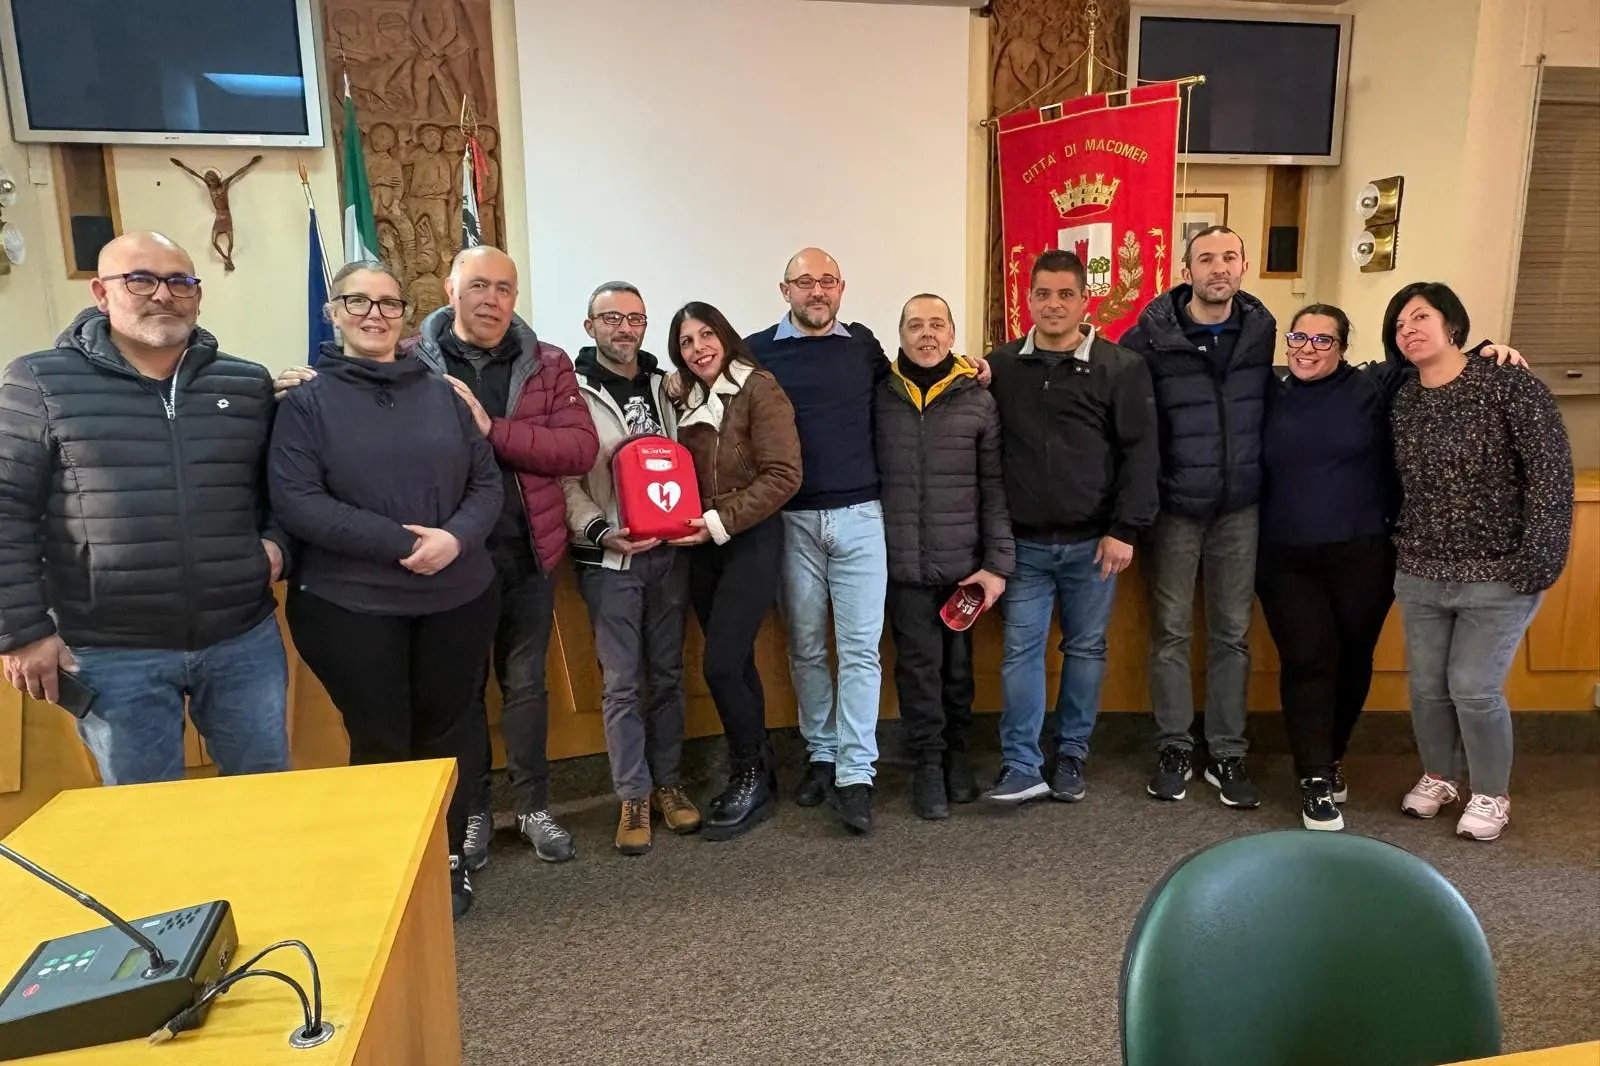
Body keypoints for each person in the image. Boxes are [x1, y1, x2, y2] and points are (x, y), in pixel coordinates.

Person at [273, 246, 598, 872]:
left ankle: (492, 830)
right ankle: (431, 840)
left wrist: (457, 527)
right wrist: (406, 543)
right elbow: (299, 498)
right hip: (366, 596)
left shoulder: (509, 373)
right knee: (407, 727)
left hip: (493, 565)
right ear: (448, 292)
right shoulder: (345, 386)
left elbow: (533, 463)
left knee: (489, 705)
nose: (492, 298)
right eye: (478, 285)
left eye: (505, 287)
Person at [0, 231, 291, 787]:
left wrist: (277, 548)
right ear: (102, 293)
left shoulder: (245, 382)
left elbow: (280, 487)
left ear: (198, 295)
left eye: (180, 281)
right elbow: (7, 507)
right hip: (112, 649)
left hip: (241, 638)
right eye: (141, 279)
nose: (163, 294)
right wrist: (20, 631)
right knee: (144, 816)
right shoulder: (40, 380)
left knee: (266, 796)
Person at [269, 260, 502, 919]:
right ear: (333, 312)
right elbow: (297, 501)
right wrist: (403, 545)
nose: (375, 314)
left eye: (389, 304)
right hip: (352, 605)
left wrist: (454, 540)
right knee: (381, 738)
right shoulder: (305, 400)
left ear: (407, 314)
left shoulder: (443, 392)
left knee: (449, 733)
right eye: (358, 302)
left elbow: (486, 483)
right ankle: (389, 867)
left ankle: (447, 859)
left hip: (457, 596)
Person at [1385, 282, 1573, 843]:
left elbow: (1550, 476)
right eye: (1398, 325)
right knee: (1426, 687)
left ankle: (1491, 793)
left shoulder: (1508, 385)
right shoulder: (1404, 397)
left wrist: (1537, 560)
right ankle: (1441, 776)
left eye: (1420, 318)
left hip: (1497, 572)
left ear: (1454, 327)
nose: (1408, 330)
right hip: (1421, 569)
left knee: (1473, 686)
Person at [982, 250, 1159, 806]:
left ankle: (1073, 755)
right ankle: (1020, 764)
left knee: (1085, 650)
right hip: (1024, 546)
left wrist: (1125, 529)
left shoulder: (1120, 367)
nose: (1053, 304)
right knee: (1020, 654)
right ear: (1026, 299)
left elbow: (1141, 454)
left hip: (1094, 545)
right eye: (1042, 294)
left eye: (1065, 294)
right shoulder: (1002, 367)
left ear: (1086, 301)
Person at [1120, 226, 1275, 809]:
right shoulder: (1149, 338)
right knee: (1171, 634)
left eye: (1229, 257)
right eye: (1206, 258)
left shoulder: (1262, 332)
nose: (1219, 268)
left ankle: (1228, 753)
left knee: (1233, 635)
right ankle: (1174, 747)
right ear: (1186, 270)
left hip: (1240, 508)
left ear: (1243, 266)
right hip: (1175, 510)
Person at [743, 247, 891, 834]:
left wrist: (976, 368)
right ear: (785, 291)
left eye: (826, 281)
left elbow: (918, 379)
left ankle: (857, 773)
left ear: (842, 287)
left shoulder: (864, 347)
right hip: (792, 521)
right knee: (805, 647)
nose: (816, 291)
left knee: (860, 651)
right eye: (804, 282)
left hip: (861, 516)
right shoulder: (756, 350)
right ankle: (822, 756)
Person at [561, 281, 700, 856]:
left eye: (635, 318)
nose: (625, 328)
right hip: (611, 557)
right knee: (622, 683)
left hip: (670, 554)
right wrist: (598, 530)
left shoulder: (669, 386)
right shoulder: (569, 392)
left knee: (667, 675)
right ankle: (633, 795)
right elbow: (563, 477)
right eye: (611, 318)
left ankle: (668, 783)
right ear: (590, 327)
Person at [665, 301, 802, 840]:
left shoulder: (759, 389)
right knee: (736, 662)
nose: (698, 349)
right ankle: (760, 771)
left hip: (748, 538)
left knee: (719, 665)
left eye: (705, 336)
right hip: (701, 545)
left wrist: (721, 521)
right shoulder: (684, 397)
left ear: (725, 336)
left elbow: (784, 475)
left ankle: (749, 770)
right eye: (685, 342)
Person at [876, 293, 1013, 820]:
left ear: (953, 335)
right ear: (901, 334)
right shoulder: (881, 393)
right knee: (917, 669)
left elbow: (995, 487)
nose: (926, 334)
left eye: (937, 324)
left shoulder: (978, 399)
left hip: (965, 568)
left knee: (957, 670)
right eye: (915, 325)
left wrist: (998, 562)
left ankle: (957, 753)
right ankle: (928, 763)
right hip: (902, 565)